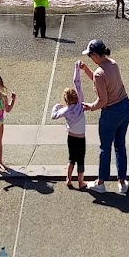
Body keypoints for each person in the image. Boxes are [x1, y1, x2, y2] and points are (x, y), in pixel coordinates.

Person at [79, 39, 129, 195]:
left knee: (105, 147)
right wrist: (87, 70)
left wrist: (90, 107)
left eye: (90, 56)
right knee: (120, 146)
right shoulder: (113, 63)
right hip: (126, 107)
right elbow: (100, 80)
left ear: (95, 54)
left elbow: (103, 100)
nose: (90, 58)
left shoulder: (99, 73)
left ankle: (101, 182)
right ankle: (122, 182)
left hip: (111, 113)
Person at [50, 60, 87, 189]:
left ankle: (68, 179)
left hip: (71, 137)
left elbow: (53, 116)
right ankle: (81, 182)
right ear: (76, 97)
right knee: (81, 159)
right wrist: (77, 67)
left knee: (71, 158)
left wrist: (56, 107)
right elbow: (77, 82)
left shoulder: (65, 111)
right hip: (81, 137)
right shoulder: (80, 103)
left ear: (66, 101)